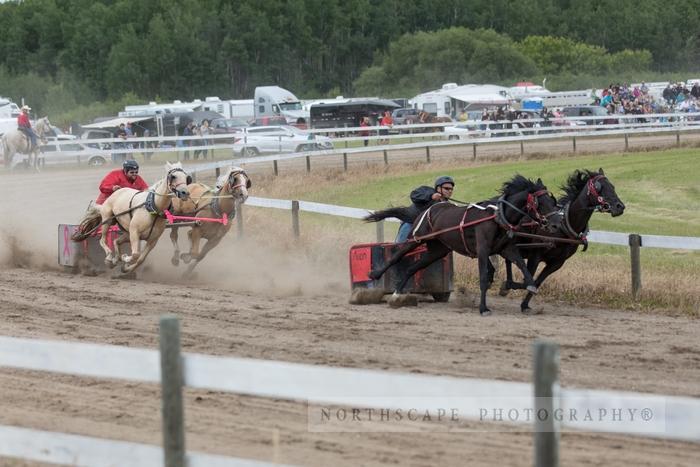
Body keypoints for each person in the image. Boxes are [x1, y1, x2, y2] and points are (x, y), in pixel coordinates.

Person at [395, 176, 455, 242]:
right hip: (411, 223)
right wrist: (431, 196)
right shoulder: (428, 191)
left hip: (427, 231)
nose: (450, 191)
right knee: (400, 246)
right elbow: (413, 195)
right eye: (446, 188)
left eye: (451, 189)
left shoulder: (447, 204)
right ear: (438, 188)